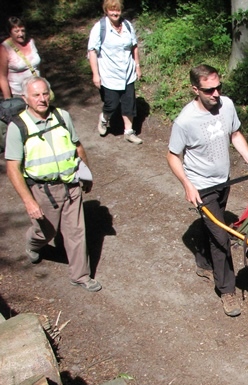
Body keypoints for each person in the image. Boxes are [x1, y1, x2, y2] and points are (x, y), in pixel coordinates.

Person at [167, 64, 248, 317]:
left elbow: (235, 134)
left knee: (214, 223)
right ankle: (227, 290)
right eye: (209, 90)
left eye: (218, 87)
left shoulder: (227, 106)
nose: (216, 94)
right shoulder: (185, 121)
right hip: (202, 187)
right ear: (195, 89)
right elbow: (172, 156)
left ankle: (203, 261)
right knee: (221, 237)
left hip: (224, 181)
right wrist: (188, 185)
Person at [4, 76, 102, 292]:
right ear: (25, 98)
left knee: (76, 232)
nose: (42, 99)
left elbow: (77, 147)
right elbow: (13, 168)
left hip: (71, 184)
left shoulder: (62, 116)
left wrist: (86, 174)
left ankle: (80, 276)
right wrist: (29, 201)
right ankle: (33, 243)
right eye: (36, 95)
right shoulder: (18, 127)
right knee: (46, 232)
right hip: (43, 190)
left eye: (45, 93)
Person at [87, 0, 142, 144]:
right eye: (111, 10)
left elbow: (134, 47)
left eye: (117, 10)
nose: (115, 13)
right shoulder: (99, 28)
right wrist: (95, 74)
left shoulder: (127, 26)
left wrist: (137, 66)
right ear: (106, 11)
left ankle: (129, 132)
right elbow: (92, 52)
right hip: (109, 74)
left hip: (127, 73)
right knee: (111, 104)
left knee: (129, 103)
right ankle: (104, 119)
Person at [0, 17, 41, 99]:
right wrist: (8, 99)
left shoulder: (31, 42)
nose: (21, 34)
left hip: (38, 91)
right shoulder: (4, 48)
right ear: (10, 32)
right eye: (16, 31)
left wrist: (45, 84)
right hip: (19, 95)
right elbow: (2, 76)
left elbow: (39, 66)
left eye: (23, 30)